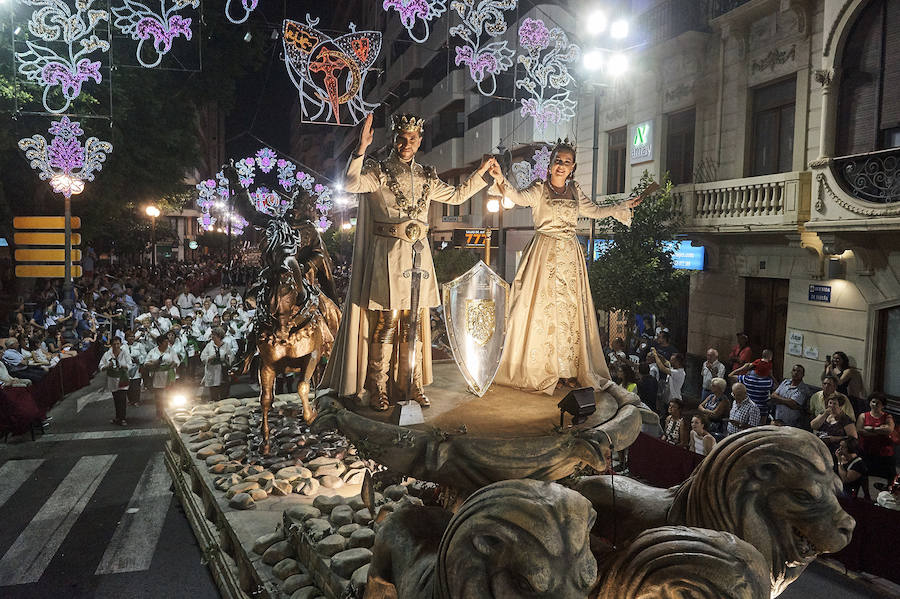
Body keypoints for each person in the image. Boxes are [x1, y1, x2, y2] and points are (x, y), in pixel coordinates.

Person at [321, 113, 495, 410]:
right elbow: (350, 184)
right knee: (387, 323)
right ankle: (378, 386)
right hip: (387, 255)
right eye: (401, 137)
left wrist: (480, 173)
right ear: (393, 138)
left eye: (412, 139)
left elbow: (455, 195)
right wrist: (360, 150)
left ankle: (411, 383)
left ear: (419, 141)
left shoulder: (428, 175)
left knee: (413, 323)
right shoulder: (378, 171)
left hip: (420, 256)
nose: (406, 144)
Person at [485, 141, 640, 395]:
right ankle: (544, 370)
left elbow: (596, 211)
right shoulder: (539, 189)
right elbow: (516, 197)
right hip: (542, 256)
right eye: (558, 161)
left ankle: (567, 371)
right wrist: (501, 178)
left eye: (567, 162)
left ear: (573, 167)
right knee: (542, 314)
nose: (562, 166)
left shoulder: (576, 191)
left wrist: (621, 207)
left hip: (570, 257)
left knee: (569, 317)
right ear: (550, 164)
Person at [856, 393, 896, 482]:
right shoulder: (863, 416)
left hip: (884, 452)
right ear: (869, 403)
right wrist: (880, 431)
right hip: (866, 450)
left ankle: (891, 494)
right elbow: (860, 431)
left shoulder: (888, 417)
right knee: (860, 474)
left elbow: (889, 430)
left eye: (878, 403)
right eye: (873, 402)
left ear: (883, 405)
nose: (875, 404)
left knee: (891, 477)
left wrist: (872, 428)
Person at [143, 335, 180, 419]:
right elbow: (146, 363)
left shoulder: (171, 351)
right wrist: (154, 363)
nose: (167, 343)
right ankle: (159, 413)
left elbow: (177, 361)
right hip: (157, 376)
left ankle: (171, 412)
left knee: (170, 395)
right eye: (165, 342)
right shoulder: (153, 351)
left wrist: (173, 365)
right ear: (159, 343)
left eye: (167, 342)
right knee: (159, 396)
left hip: (168, 376)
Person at [98, 337, 132, 426]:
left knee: (122, 398)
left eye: (118, 344)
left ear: (120, 344)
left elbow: (130, 365)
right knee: (116, 399)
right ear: (111, 345)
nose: (116, 346)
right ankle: (118, 417)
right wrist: (107, 366)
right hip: (112, 379)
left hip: (123, 378)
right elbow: (101, 366)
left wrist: (122, 365)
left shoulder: (125, 353)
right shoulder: (107, 354)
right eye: (114, 344)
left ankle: (123, 418)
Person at [811, 394, 857, 459]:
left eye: (834, 404)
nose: (831, 405)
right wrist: (825, 414)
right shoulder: (824, 414)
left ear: (841, 406)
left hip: (835, 451)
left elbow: (853, 438)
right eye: (830, 403)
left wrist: (835, 438)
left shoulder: (845, 419)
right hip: (820, 448)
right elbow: (813, 425)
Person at [769, 364, 811, 428]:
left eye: (799, 371)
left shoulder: (803, 389)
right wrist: (787, 402)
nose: (796, 373)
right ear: (791, 372)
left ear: (803, 375)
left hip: (791, 424)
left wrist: (779, 400)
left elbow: (793, 403)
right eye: (794, 370)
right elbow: (773, 396)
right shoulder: (785, 382)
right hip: (776, 421)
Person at [200, 327, 233, 403]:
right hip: (212, 370)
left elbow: (231, 356)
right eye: (212, 335)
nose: (212, 336)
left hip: (222, 371)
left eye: (214, 335)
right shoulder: (209, 346)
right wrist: (210, 358)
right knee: (213, 388)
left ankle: (223, 400)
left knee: (223, 387)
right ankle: (214, 401)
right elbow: (203, 357)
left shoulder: (226, 345)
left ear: (219, 336)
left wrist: (226, 359)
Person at [651, 350, 686, 416]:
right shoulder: (674, 368)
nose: (670, 361)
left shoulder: (679, 373)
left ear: (677, 362)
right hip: (668, 399)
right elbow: (665, 361)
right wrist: (657, 353)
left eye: (672, 360)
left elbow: (662, 368)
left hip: (675, 400)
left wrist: (655, 356)